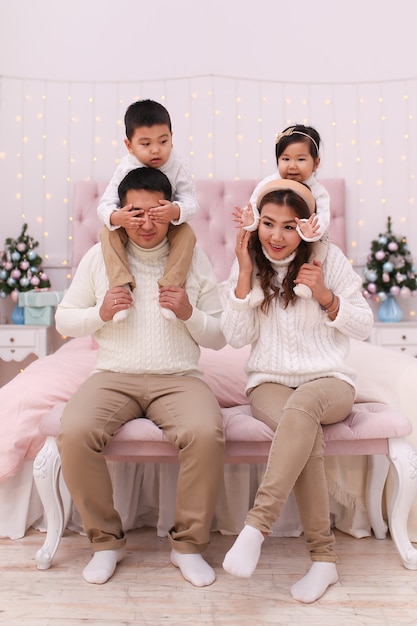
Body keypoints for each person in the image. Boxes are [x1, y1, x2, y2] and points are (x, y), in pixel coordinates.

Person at [55, 167, 226, 588]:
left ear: (172, 213)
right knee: (74, 431)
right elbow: (63, 319)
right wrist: (101, 314)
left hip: (179, 377)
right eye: (135, 212)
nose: (146, 223)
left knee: (206, 433)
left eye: (156, 213)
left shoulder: (193, 258)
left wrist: (189, 313)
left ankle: (187, 547)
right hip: (114, 375)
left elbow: (222, 336)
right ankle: (105, 543)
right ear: (119, 213)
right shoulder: (101, 259)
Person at [220, 179, 373, 603]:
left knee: (303, 405)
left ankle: (256, 526)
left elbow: (364, 324)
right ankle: (324, 562)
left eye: (289, 227)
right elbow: (234, 337)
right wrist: (245, 274)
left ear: (307, 228)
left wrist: (325, 296)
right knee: (304, 431)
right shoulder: (249, 261)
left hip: (330, 381)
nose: (276, 236)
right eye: (268, 224)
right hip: (268, 382)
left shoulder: (329, 258)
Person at [97, 99, 199, 322]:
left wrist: (175, 211)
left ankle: (171, 286)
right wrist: (117, 217)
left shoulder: (178, 166)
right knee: (107, 233)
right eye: (145, 144)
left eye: (163, 141)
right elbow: (104, 205)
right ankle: (121, 285)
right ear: (129, 145)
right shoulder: (126, 167)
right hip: (131, 224)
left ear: (172, 138)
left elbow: (192, 203)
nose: (156, 150)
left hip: (164, 224)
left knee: (187, 234)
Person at [236, 124, 330, 300]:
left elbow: (323, 217)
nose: (292, 166)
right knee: (251, 247)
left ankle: (305, 282)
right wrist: (252, 220)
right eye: (285, 159)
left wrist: (312, 231)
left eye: (300, 160)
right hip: (262, 256)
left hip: (310, 237)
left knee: (320, 248)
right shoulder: (269, 183)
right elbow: (254, 204)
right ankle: (256, 287)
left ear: (316, 163)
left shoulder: (319, 192)